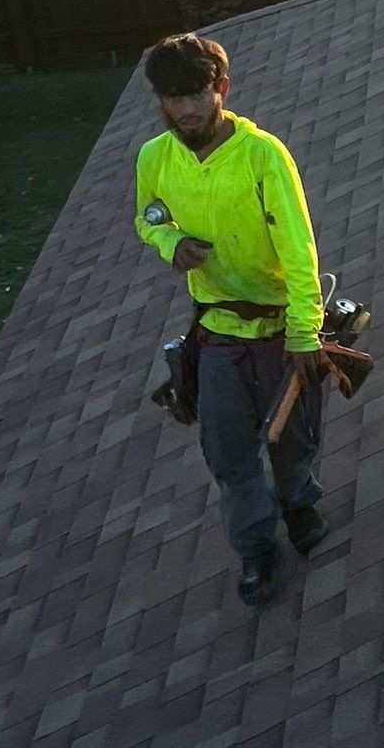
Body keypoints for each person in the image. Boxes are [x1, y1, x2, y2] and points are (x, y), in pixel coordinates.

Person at [133, 33, 330, 608]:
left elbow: (299, 252)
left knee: (290, 436)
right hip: (216, 331)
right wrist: (170, 242)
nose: (185, 109)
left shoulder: (263, 155)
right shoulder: (154, 158)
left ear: (221, 88)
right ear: (160, 101)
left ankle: (299, 504)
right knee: (226, 447)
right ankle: (256, 549)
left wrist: (304, 330)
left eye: (195, 93)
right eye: (172, 97)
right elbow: (148, 218)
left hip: (279, 328)